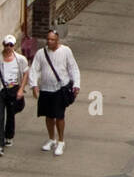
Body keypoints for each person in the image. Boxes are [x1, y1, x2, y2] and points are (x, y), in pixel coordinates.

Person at [29, 28, 80, 156]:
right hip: (46, 89)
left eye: (52, 39)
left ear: (57, 40)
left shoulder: (66, 51)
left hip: (60, 88)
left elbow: (73, 68)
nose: (49, 42)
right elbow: (34, 69)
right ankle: (51, 139)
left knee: (59, 116)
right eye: (48, 39)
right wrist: (34, 85)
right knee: (48, 116)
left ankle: (61, 141)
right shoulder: (41, 53)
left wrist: (76, 85)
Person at [0, 34, 29, 153]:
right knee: (0, 116)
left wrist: (21, 89)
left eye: (11, 45)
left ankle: (9, 136)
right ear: (3, 45)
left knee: (11, 114)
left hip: (13, 89)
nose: (9, 47)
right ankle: (0, 144)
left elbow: (26, 73)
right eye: (6, 45)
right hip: (1, 89)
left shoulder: (20, 59)